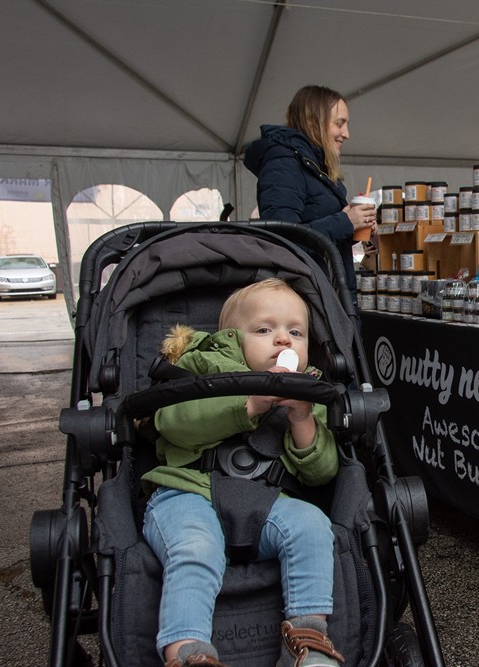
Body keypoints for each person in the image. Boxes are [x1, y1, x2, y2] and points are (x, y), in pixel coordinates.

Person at [141, 278, 344, 667]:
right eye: (265, 330)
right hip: (187, 493)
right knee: (195, 547)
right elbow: (173, 421)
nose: (283, 340)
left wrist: (302, 420)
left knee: (312, 525)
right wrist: (249, 403)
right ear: (231, 338)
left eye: (296, 332)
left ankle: (309, 638)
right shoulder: (201, 365)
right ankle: (187, 652)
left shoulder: (308, 391)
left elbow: (321, 474)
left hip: (267, 503)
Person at [244, 85, 375, 308]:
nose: (346, 133)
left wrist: (353, 225)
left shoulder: (315, 164)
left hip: (325, 294)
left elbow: (316, 229)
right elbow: (282, 239)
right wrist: (345, 221)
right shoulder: (283, 162)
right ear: (314, 121)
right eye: (339, 123)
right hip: (304, 300)